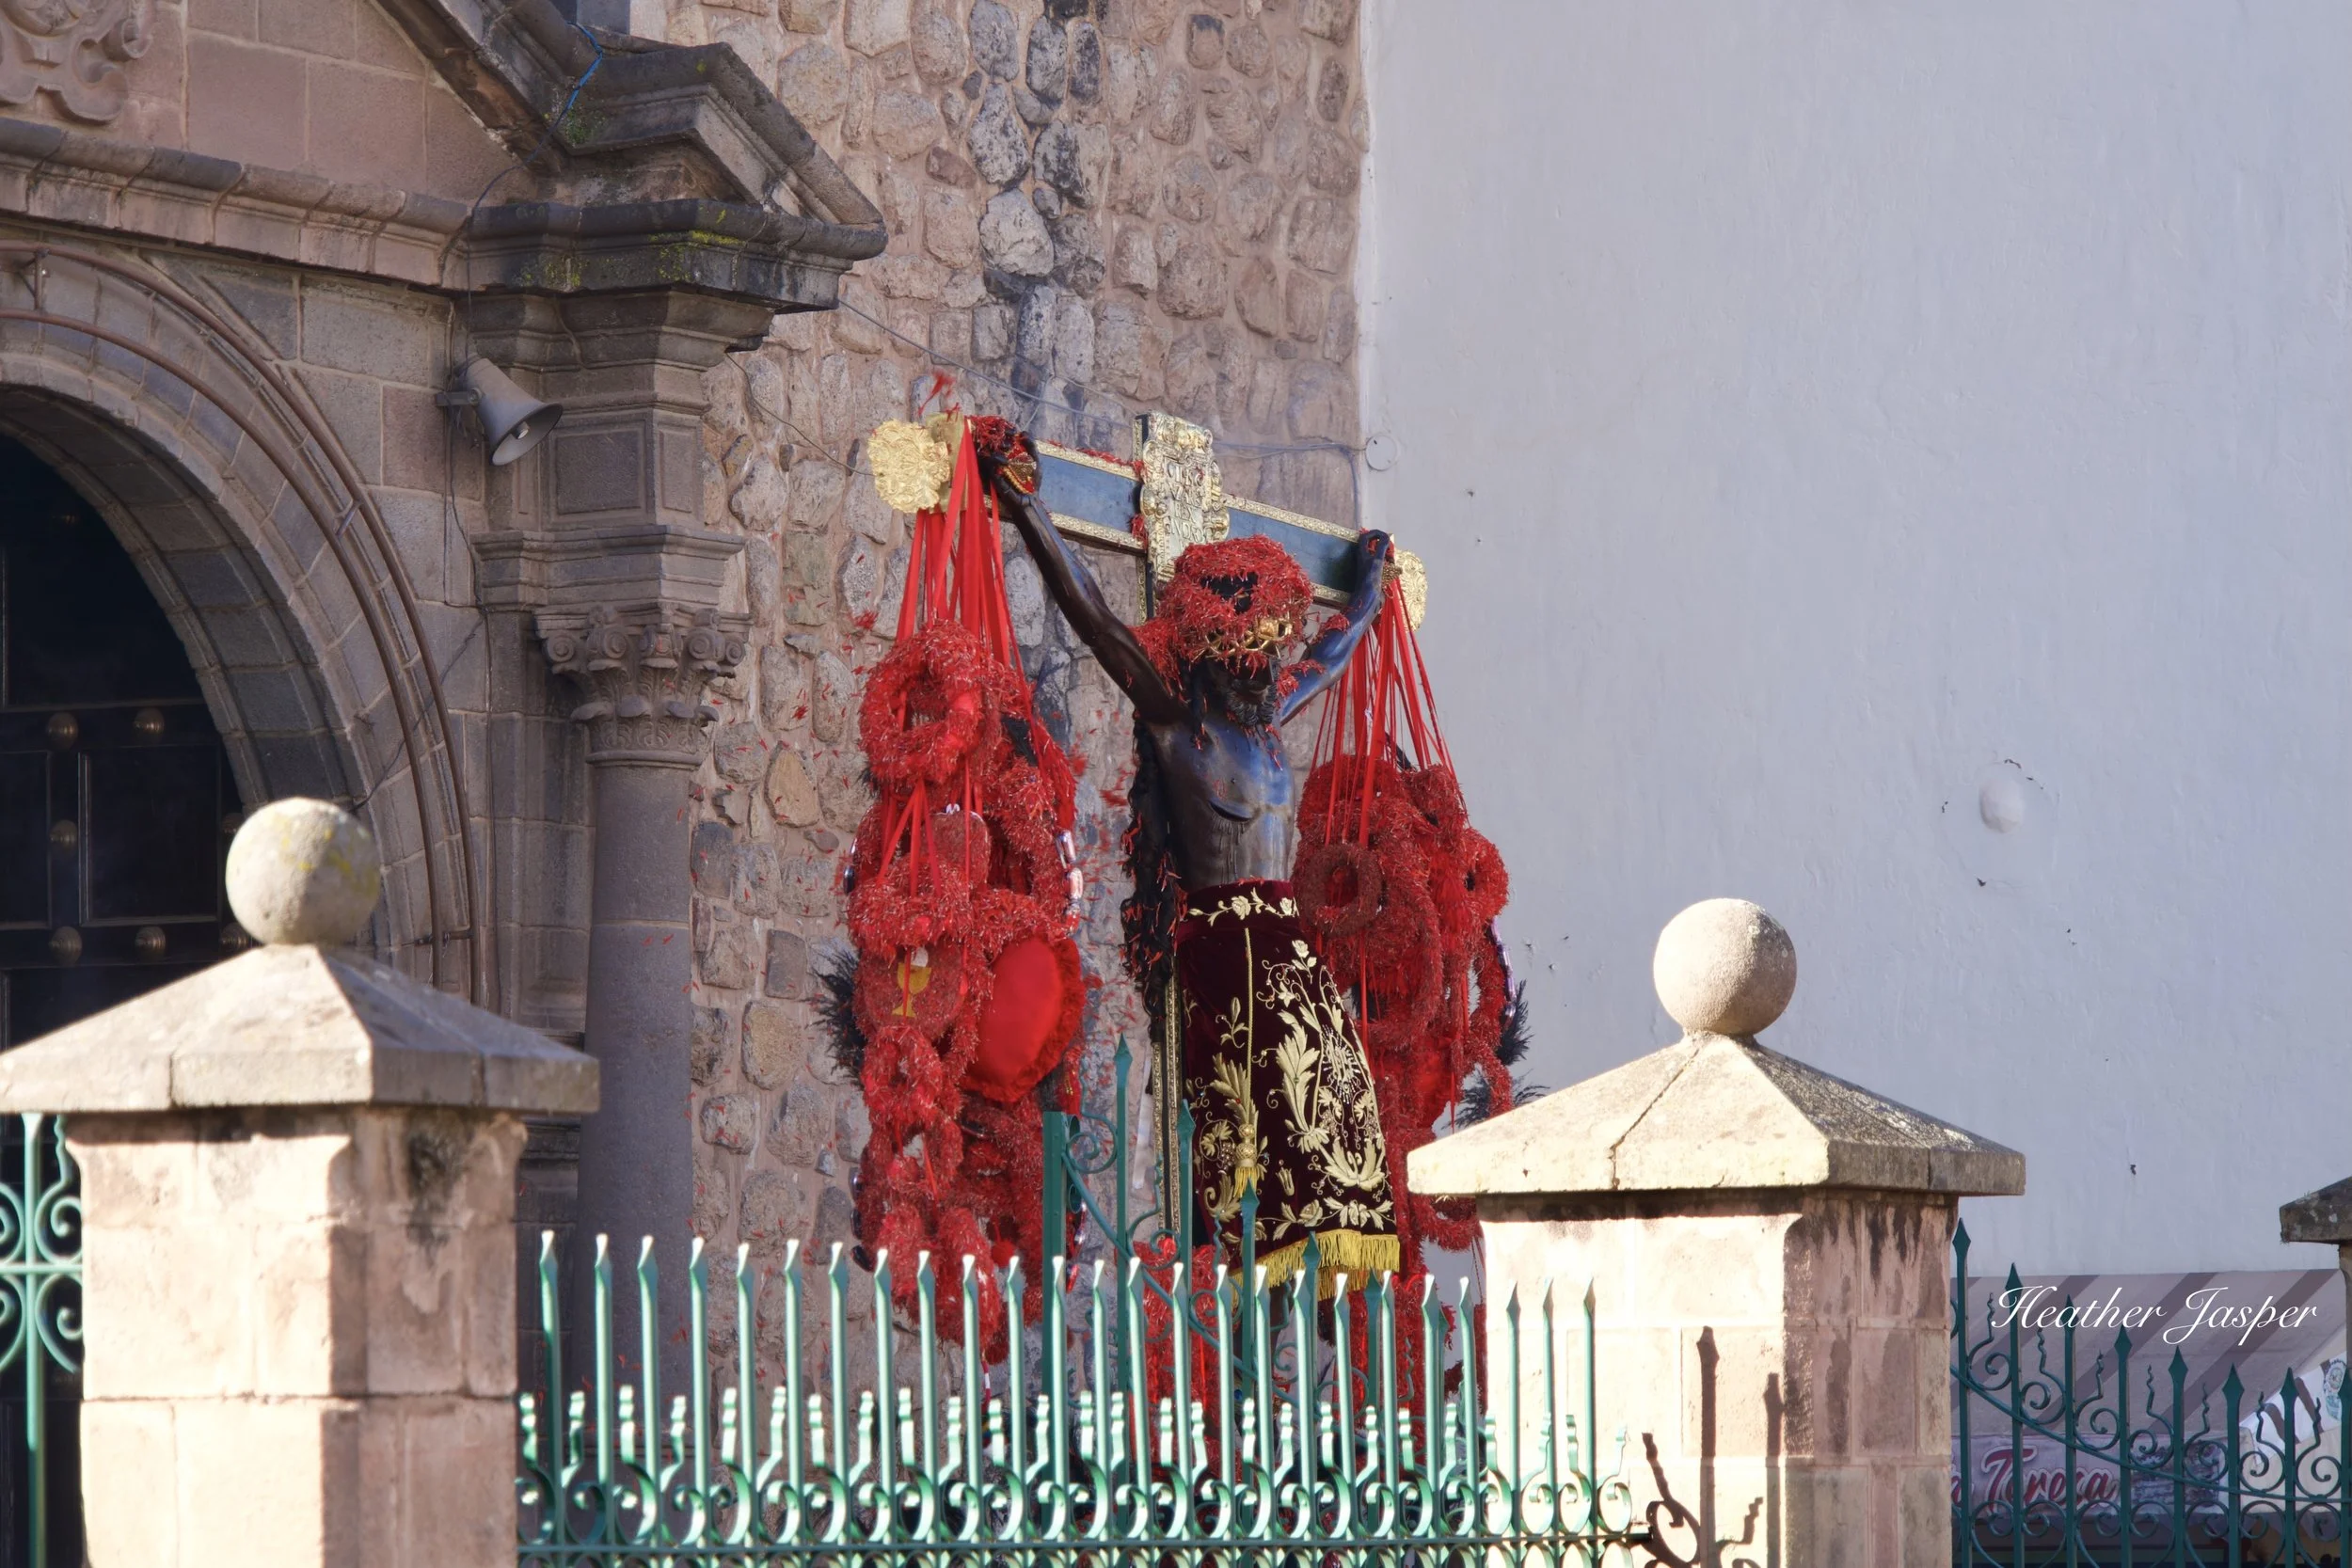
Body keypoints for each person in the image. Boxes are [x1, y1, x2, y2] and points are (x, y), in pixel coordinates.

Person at [984, 452, 1398, 1288]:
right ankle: (1229, 1281)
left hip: (1290, 957)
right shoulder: (1178, 722)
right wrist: (1028, 510)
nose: (1259, 671)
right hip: (1221, 958)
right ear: (1210, 652)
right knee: (1241, 1147)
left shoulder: (1271, 719)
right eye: (1241, 656)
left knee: (1335, 1146)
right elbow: (1094, 616)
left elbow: (1338, 651)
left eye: (1264, 656)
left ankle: (1298, 1290)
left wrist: (1369, 590)